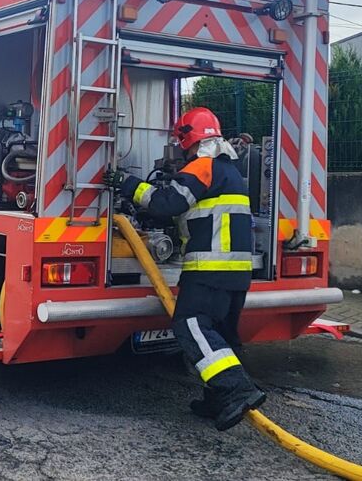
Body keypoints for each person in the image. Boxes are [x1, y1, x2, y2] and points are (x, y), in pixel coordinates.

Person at [103, 107, 266, 431]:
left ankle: (236, 389)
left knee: (190, 325)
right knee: (221, 333)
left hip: (210, 270)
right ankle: (217, 398)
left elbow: (166, 204)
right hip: (236, 272)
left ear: (186, 138)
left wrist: (126, 183)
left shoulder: (202, 167)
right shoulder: (228, 170)